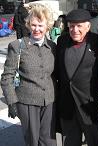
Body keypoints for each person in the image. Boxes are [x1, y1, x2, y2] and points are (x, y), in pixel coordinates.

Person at [1, 4, 57, 146]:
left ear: (47, 26)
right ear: (28, 24)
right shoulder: (17, 46)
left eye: (40, 25)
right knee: (32, 140)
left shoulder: (52, 46)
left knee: (49, 141)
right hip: (27, 101)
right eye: (33, 25)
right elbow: (7, 76)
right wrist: (12, 101)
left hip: (49, 101)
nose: (36, 29)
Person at [55, 9, 98, 146]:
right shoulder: (62, 41)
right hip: (67, 104)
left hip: (90, 105)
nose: (75, 30)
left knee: (95, 141)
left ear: (88, 26)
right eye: (71, 26)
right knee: (70, 142)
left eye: (79, 26)